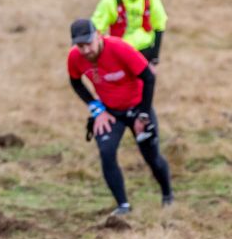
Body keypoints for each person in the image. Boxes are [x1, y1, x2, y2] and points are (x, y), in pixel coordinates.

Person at [67, 19, 173, 218]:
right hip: (110, 112)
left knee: (152, 157)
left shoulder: (119, 48)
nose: (86, 50)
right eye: (80, 46)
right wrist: (97, 110)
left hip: (138, 108)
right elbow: (75, 82)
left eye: (89, 43)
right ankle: (123, 205)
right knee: (106, 152)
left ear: (98, 36)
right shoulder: (75, 57)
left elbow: (149, 77)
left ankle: (167, 195)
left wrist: (143, 115)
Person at [91, 0, 168, 67]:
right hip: (121, 51)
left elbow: (159, 22)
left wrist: (155, 55)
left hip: (145, 50)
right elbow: (97, 27)